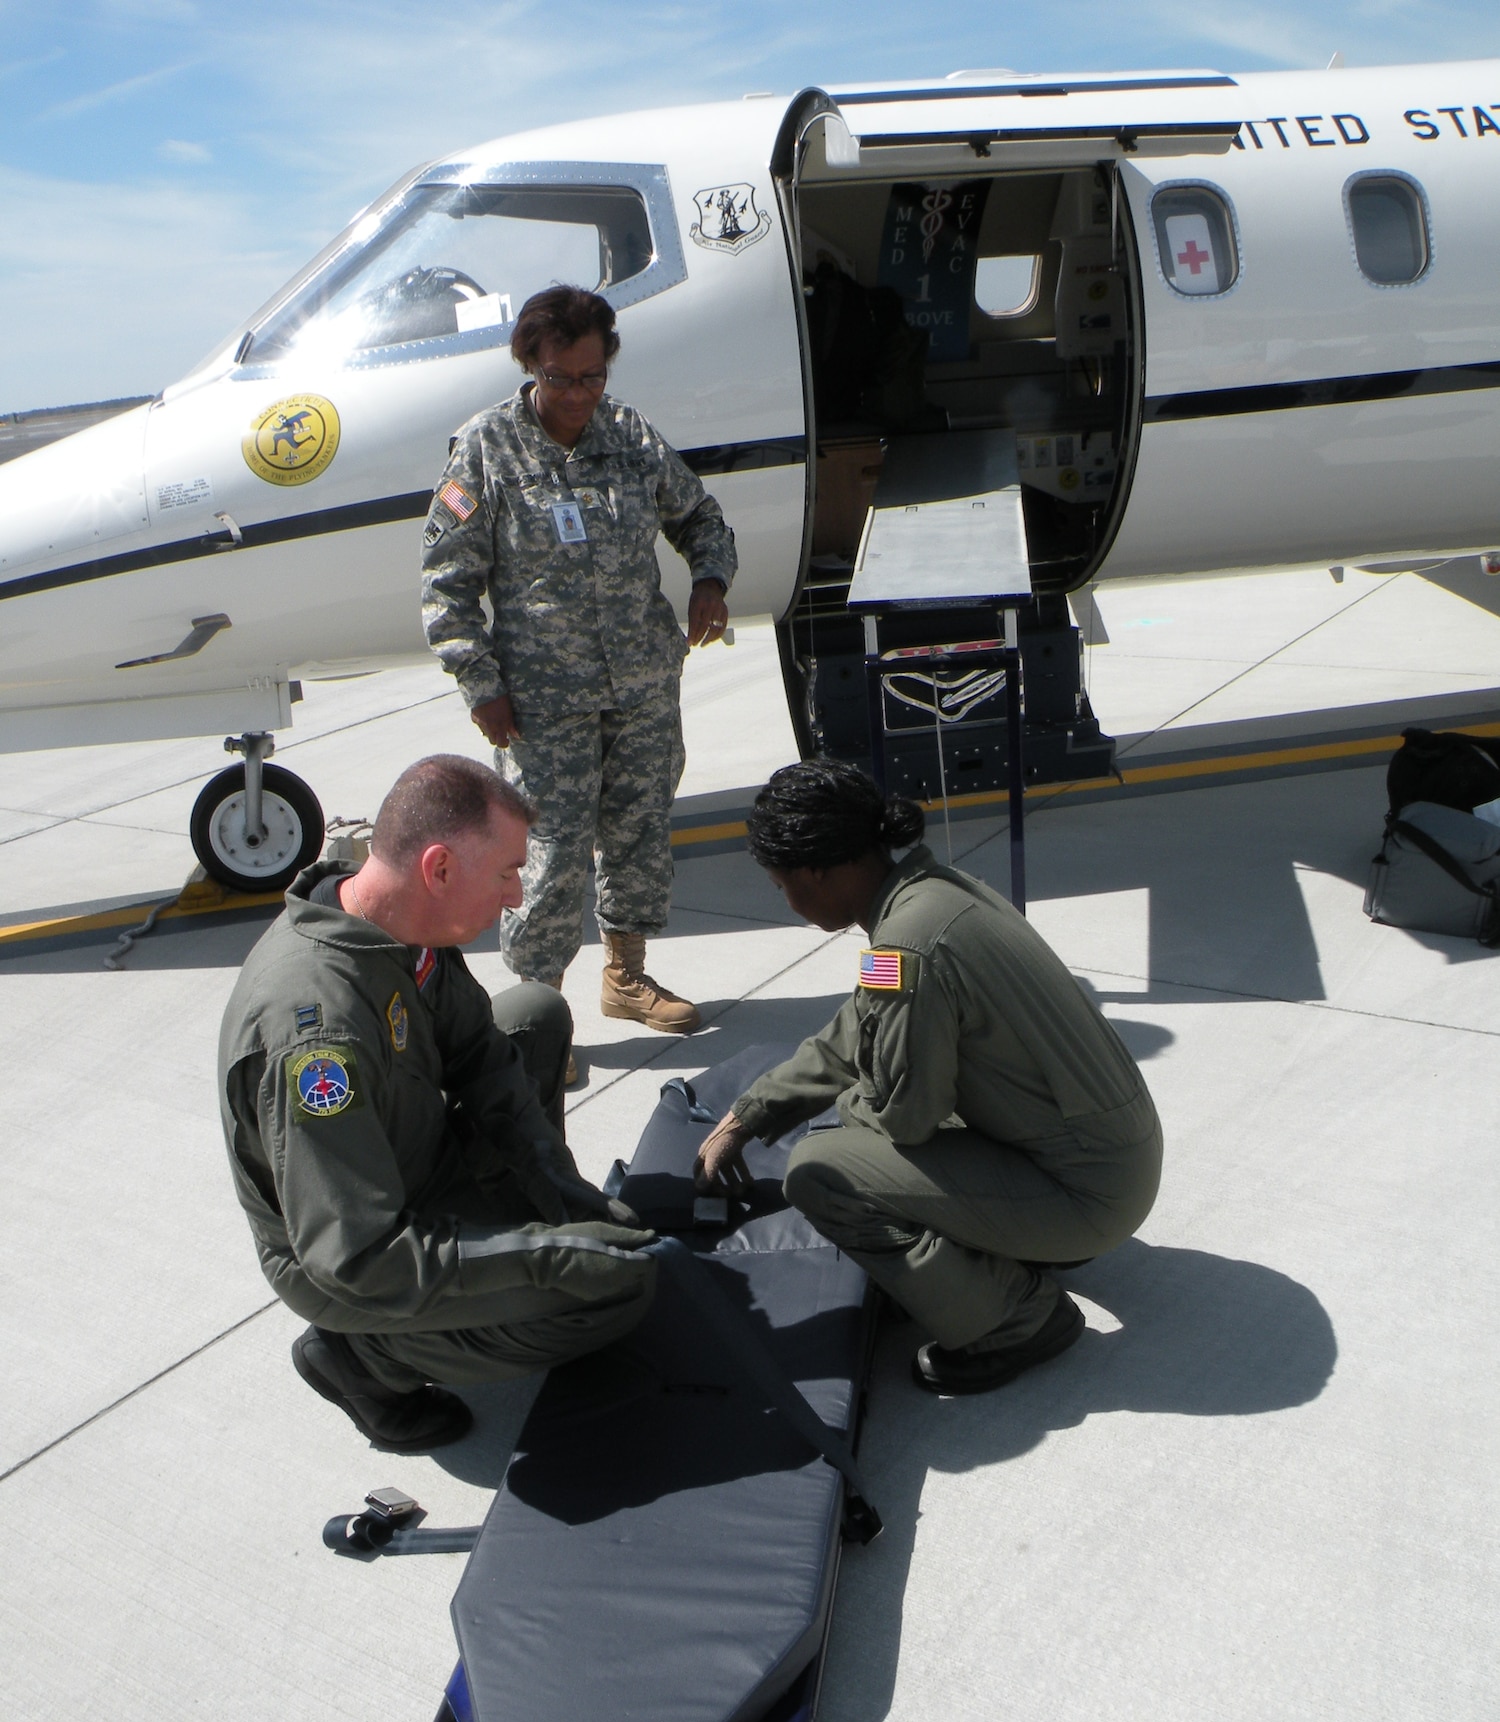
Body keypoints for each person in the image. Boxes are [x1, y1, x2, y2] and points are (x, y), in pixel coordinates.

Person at [218, 754, 657, 1454]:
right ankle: (363, 1360)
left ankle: (518, 1230)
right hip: (356, 1256)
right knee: (614, 1295)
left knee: (534, 1014)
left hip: (410, 1157)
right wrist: (552, 1258)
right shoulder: (316, 1036)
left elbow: (481, 1051)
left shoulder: (394, 928)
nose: (517, 896)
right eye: (507, 872)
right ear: (440, 870)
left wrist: (560, 1192)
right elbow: (355, 1255)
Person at [694, 761, 1163, 1395]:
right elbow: (861, 1021)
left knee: (821, 1170)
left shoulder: (903, 946)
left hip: (1087, 1198)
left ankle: (1017, 1320)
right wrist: (751, 1113)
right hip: (1109, 1161)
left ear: (818, 870)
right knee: (865, 1123)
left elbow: (906, 1117)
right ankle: (1017, 1247)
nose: (786, 900)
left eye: (782, 885)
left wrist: (849, 1116)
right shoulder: (931, 894)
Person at [420, 282, 738, 1057]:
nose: (578, 394)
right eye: (561, 378)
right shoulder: (486, 448)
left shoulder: (629, 434)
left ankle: (626, 977)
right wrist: (481, 686)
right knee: (548, 859)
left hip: (640, 685)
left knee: (638, 834)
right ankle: (538, 1016)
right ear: (531, 365)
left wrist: (709, 580)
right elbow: (446, 583)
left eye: (593, 377)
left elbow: (700, 516)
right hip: (540, 704)